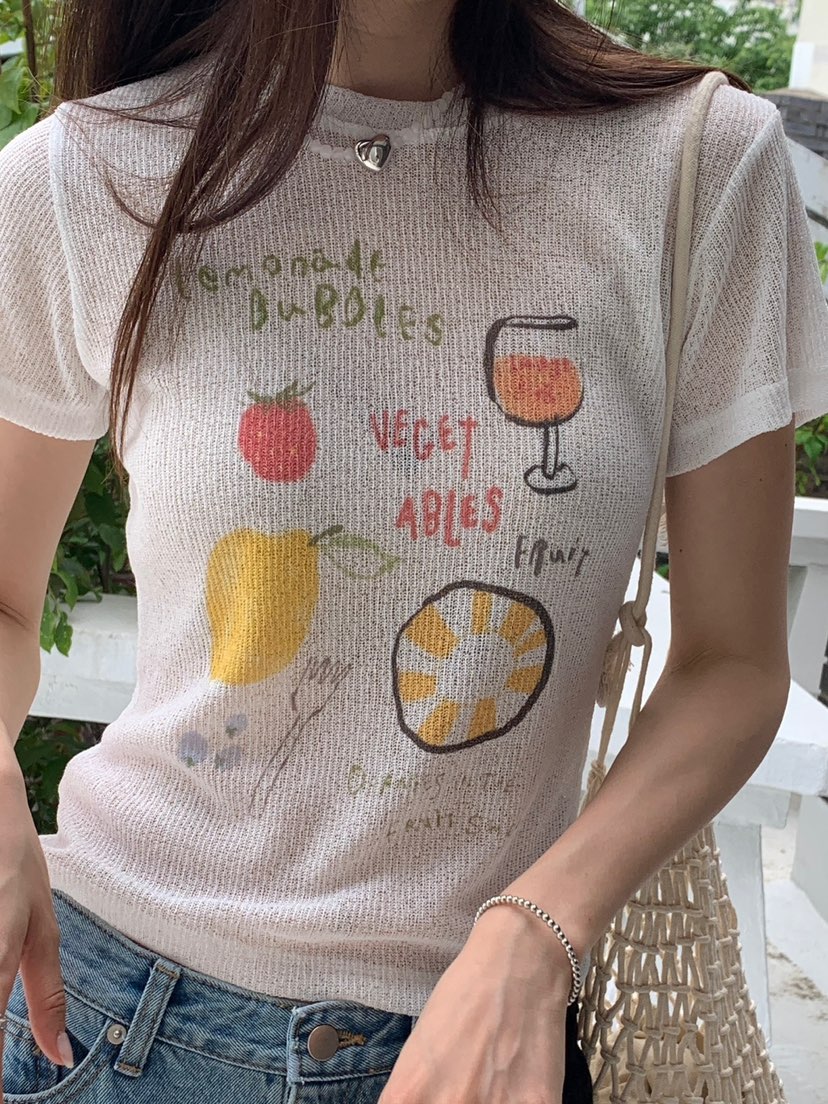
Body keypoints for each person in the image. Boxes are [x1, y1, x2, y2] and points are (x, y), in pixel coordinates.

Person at [1, 0, 827, 1100]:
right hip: (110, 1023)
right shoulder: (88, 174)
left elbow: (733, 661)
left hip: (482, 1041)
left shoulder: (697, 164)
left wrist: (539, 928)